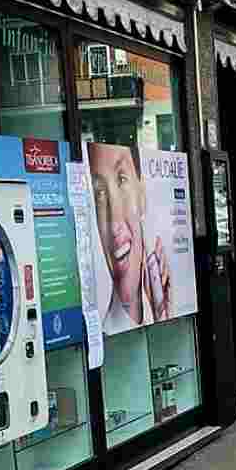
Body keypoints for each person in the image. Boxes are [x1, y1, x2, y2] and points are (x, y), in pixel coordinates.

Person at [89, 142, 173, 334]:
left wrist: (165, 316)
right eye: (100, 193)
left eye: (122, 180)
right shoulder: (105, 335)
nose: (115, 223)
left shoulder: (156, 304)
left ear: (141, 194)